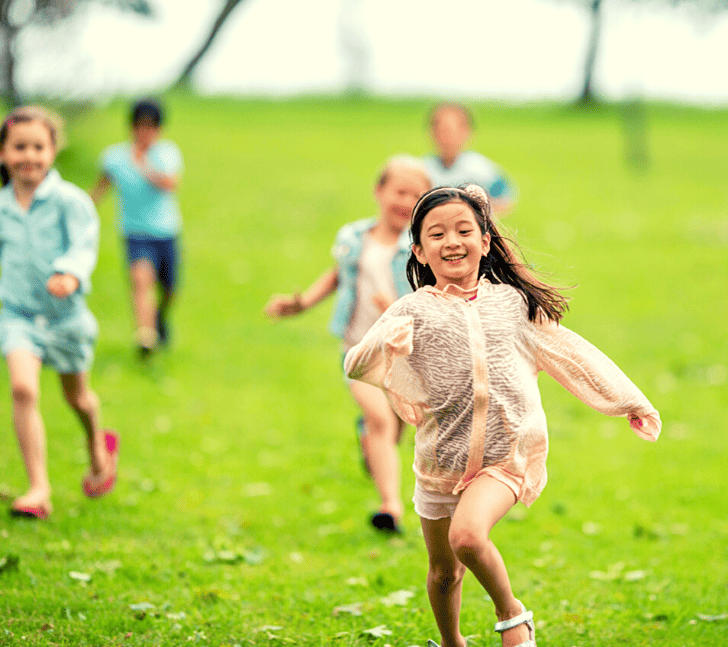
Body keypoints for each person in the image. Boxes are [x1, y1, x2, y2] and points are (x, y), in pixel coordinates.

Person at [344, 184, 661, 647]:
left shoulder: (512, 305)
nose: (452, 241)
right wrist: (386, 344)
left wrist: (630, 401)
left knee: (468, 537)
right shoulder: (411, 311)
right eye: (437, 234)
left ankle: (512, 615)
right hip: (440, 462)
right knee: (443, 572)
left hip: (506, 456)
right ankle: (453, 643)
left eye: (463, 230)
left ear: (485, 240)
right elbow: (357, 363)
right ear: (419, 250)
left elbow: (570, 353)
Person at [0, 106, 118, 520]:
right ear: (2, 153)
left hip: (66, 318)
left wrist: (70, 274)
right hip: (19, 315)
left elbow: (84, 244)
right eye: (19, 147)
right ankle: (39, 489)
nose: (30, 156)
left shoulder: (69, 201)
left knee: (78, 398)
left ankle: (98, 446)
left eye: (39, 147)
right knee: (24, 389)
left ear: (53, 150)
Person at [265, 155, 432, 533]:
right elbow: (338, 275)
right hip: (359, 349)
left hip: (404, 355)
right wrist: (302, 302)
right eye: (399, 191)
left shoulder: (423, 247)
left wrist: (399, 312)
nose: (405, 201)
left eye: (416, 194)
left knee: (396, 423)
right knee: (380, 420)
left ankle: (370, 441)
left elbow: (433, 299)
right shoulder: (354, 238)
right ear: (379, 191)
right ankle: (391, 506)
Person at [91, 98, 184, 359]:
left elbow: (170, 184)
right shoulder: (114, 157)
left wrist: (144, 166)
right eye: (140, 127)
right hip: (135, 233)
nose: (146, 133)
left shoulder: (167, 153)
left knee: (170, 290)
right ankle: (145, 336)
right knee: (141, 281)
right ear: (131, 127)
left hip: (166, 232)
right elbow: (99, 191)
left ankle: (158, 318)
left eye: (151, 127)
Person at [423, 103, 517, 216]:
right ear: (431, 132)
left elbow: (504, 198)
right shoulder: (423, 169)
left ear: (467, 132)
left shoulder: (480, 169)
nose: (447, 138)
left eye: (453, 131)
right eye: (442, 131)